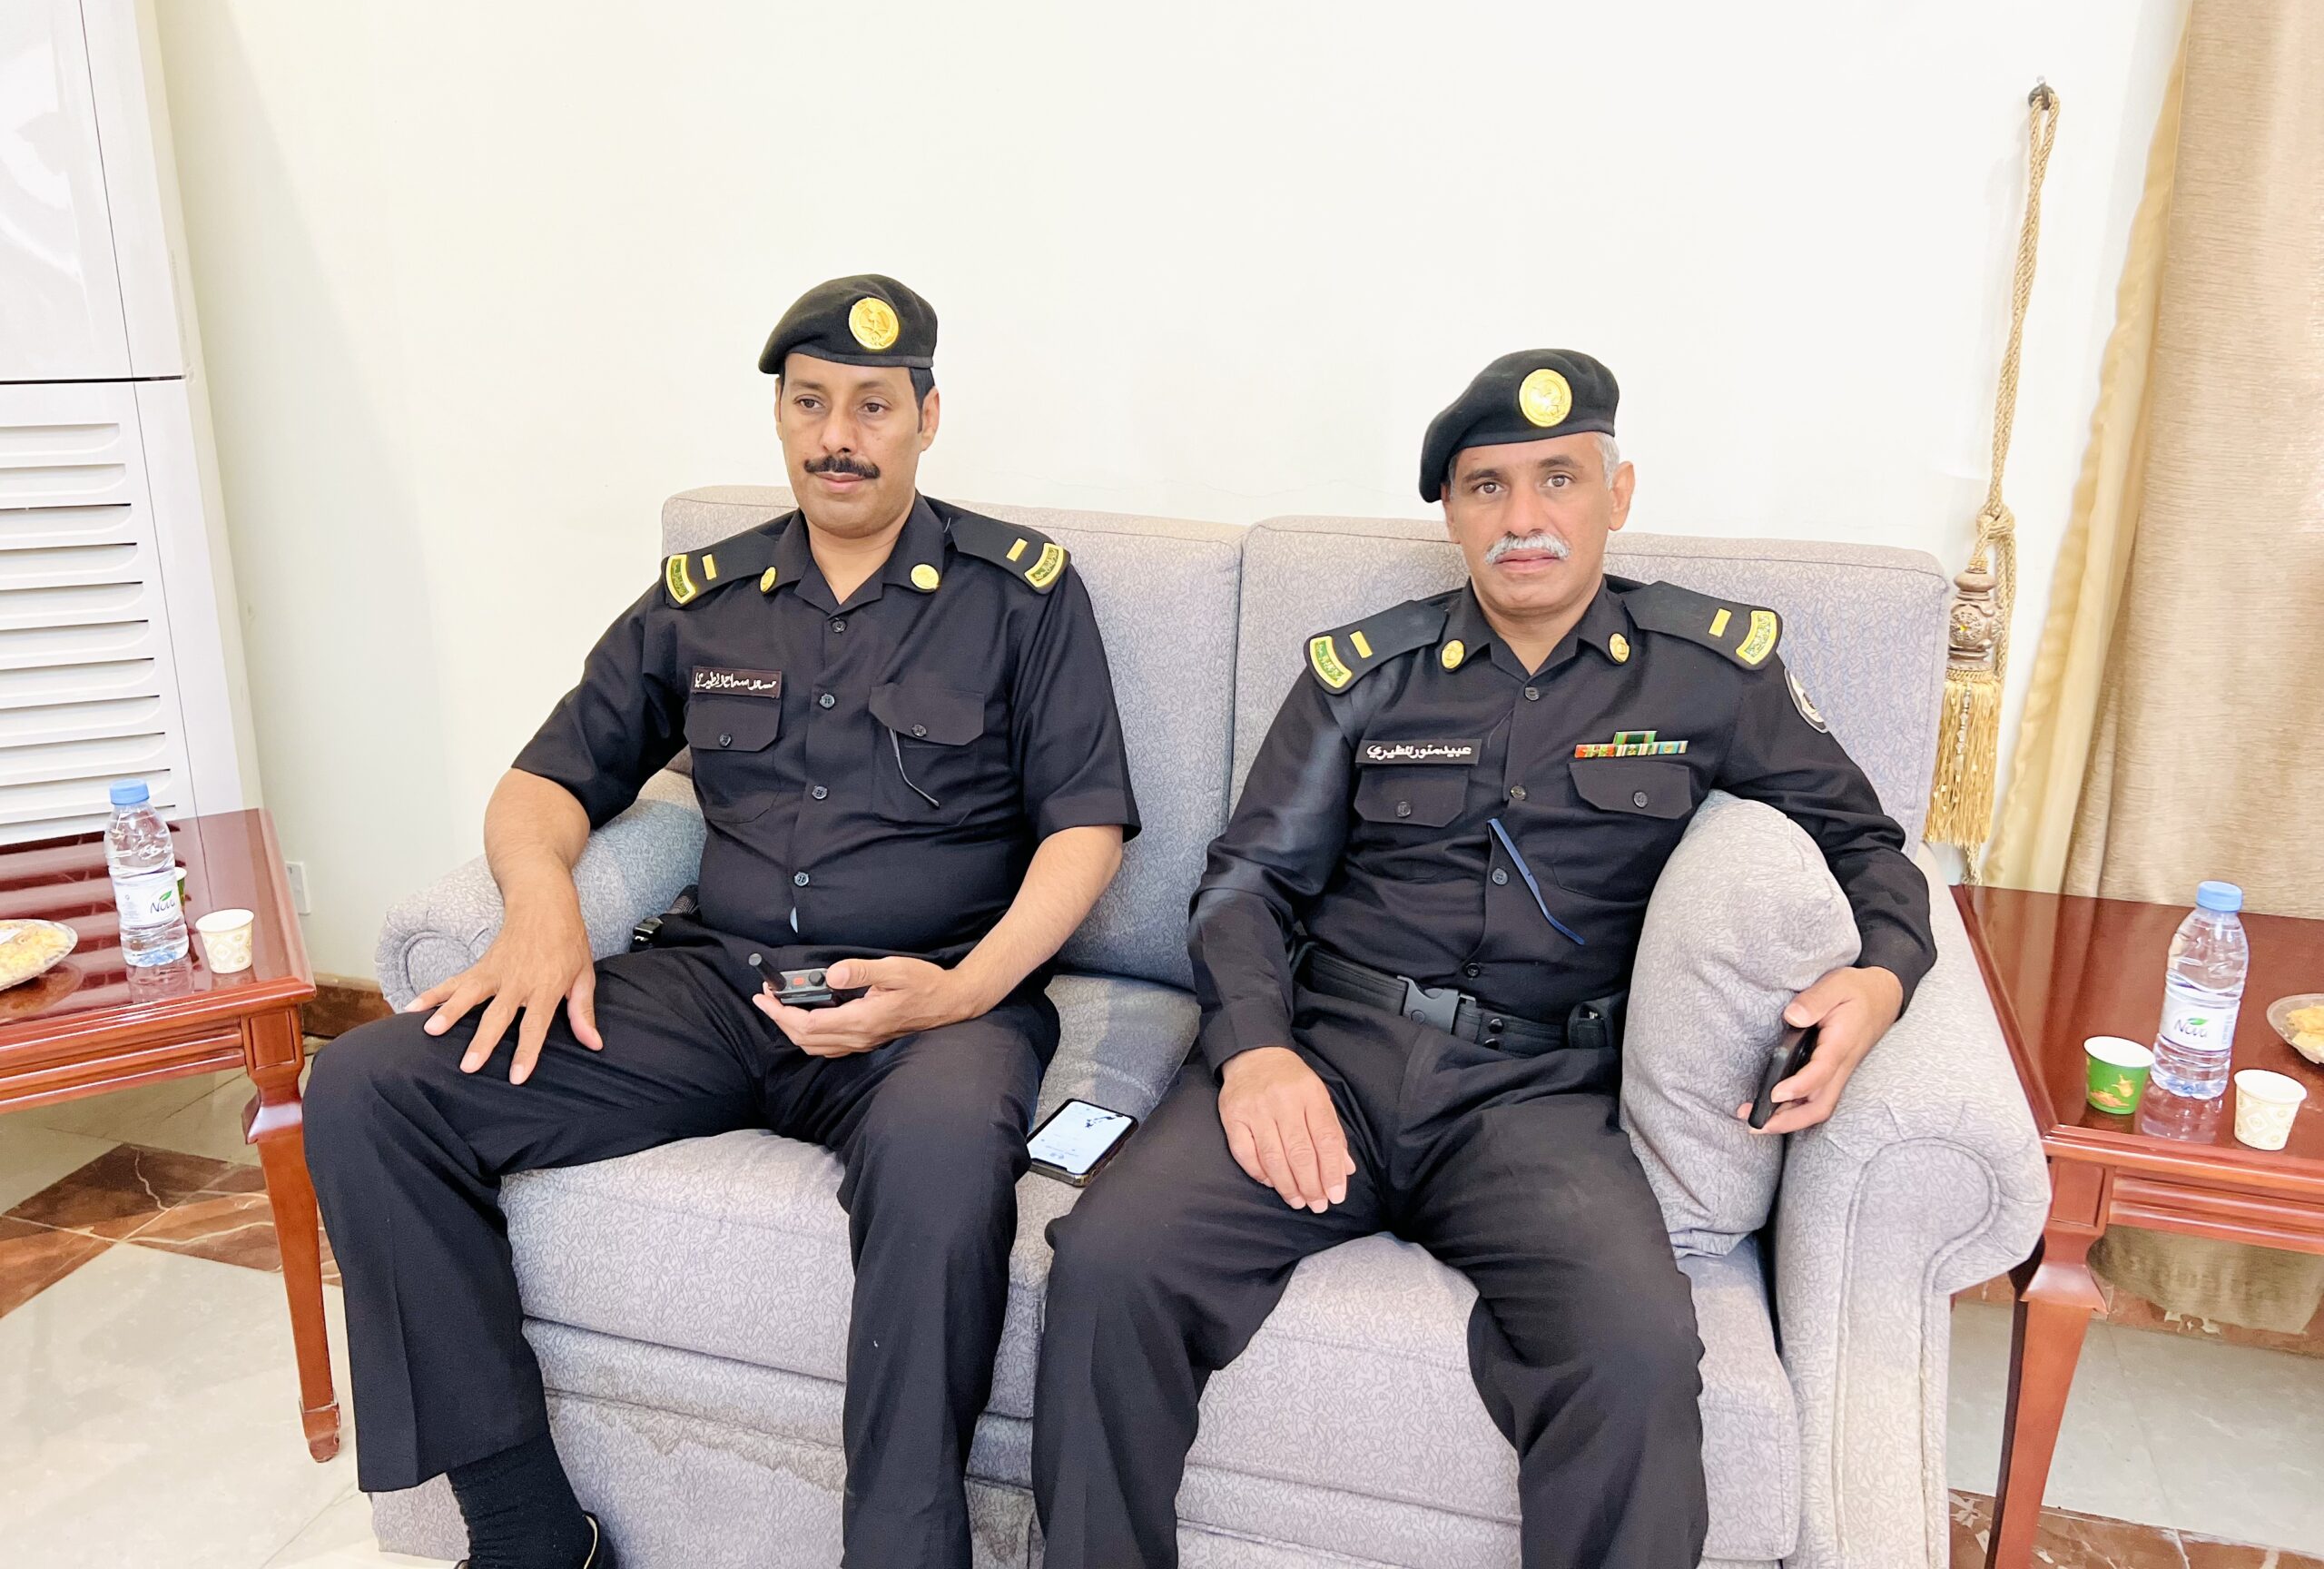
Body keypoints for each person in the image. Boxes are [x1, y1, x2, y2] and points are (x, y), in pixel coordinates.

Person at [1030, 349, 1934, 1569]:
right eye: (1487, 487)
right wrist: (1255, 1056)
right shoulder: (1366, 675)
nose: (1523, 518)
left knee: (1635, 1357)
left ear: (1616, 494)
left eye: (1559, 479)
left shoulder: (1709, 674)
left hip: (1543, 1100)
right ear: (1452, 515)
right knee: (1108, 1263)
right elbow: (1246, 884)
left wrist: (1881, 977)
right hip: (1333, 1055)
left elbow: (1868, 846)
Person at [307, 274, 1138, 1569]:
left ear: (927, 417)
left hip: (925, 1004)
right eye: (809, 403)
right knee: (370, 1088)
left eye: (872, 405)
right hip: (714, 990)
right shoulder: (707, 593)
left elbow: (1088, 829)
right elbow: (543, 782)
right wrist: (542, 910)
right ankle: (528, 1535)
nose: (837, 437)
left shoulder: (1021, 595)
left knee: (941, 1171)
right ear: (781, 417)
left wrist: (963, 992)